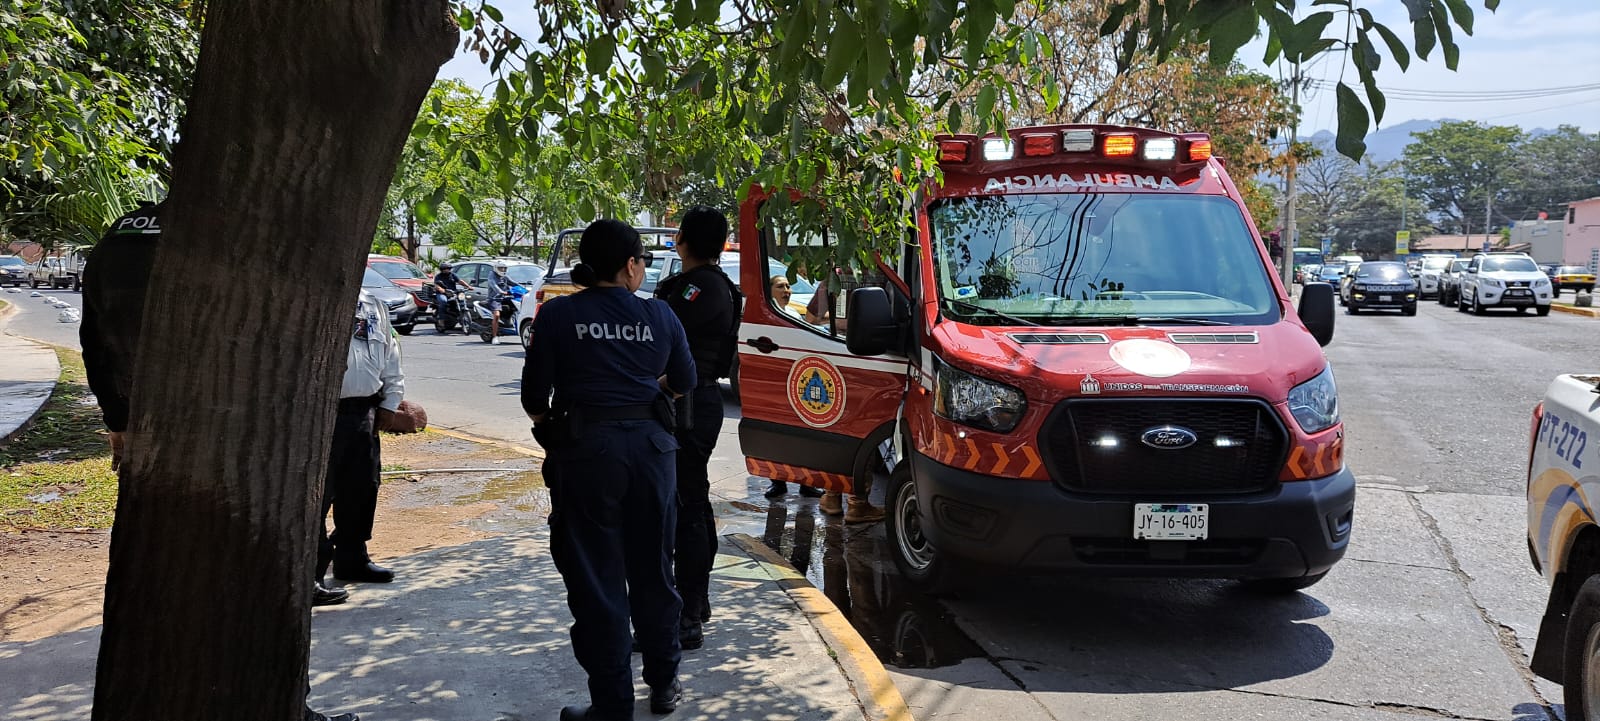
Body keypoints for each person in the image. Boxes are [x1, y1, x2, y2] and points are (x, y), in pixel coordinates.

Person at [80, 201, 360, 721]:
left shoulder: (117, 237)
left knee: (157, 579)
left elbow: (93, 342)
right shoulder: (225, 227)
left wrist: (119, 422)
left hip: (151, 439)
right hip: (232, 437)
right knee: (250, 582)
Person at [523, 219, 695, 721]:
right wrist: (647, 392)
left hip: (587, 455)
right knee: (654, 573)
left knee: (598, 580)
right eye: (641, 260)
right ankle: (664, 684)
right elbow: (685, 380)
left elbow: (535, 398)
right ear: (630, 266)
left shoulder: (558, 315)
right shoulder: (661, 316)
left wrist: (559, 426)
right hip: (652, 454)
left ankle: (613, 706)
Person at [652, 206, 738, 646]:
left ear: (682, 238)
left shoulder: (699, 288)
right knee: (692, 503)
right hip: (693, 401)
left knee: (684, 509)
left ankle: (687, 613)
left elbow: (664, 338)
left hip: (687, 402)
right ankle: (694, 602)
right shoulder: (711, 285)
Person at [315, 290, 406, 589]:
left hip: (363, 409)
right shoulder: (314, 295)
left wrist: (390, 401)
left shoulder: (373, 304)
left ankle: (352, 558)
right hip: (318, 409)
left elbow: (390, 354)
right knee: (317, 493)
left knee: (362, 487)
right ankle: (311, 570)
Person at [487, 261, 520, 344]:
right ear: (496, 268)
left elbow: (514, 283)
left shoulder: (504, 277)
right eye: (500, 268)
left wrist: (525, 289)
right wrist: (501, 291)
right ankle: (495, 337)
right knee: (497, 315)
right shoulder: (492, 276)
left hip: (505, 298)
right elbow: (494, 285)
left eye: (504, 268)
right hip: (495, 299)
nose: (502, 270)